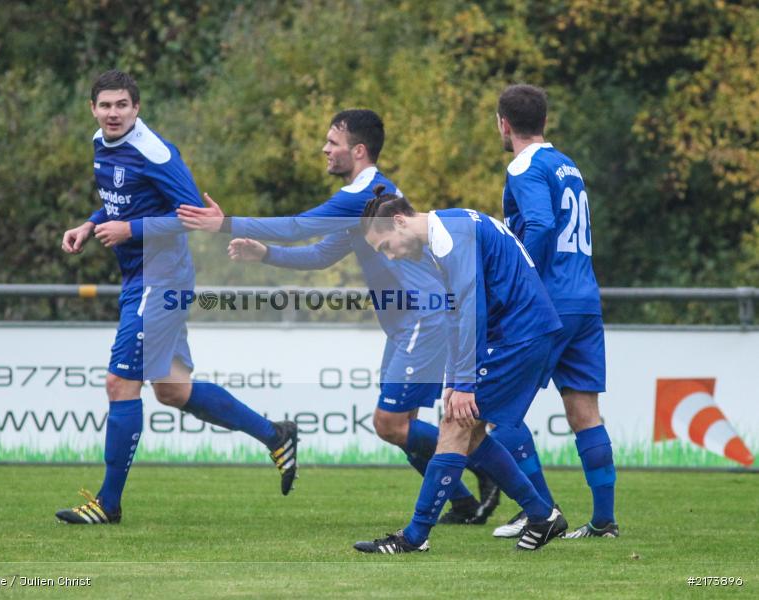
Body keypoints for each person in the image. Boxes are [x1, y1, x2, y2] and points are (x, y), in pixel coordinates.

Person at [177, 109, 499, 524]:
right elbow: (320, 254)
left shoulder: (361, 195)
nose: (325, 149)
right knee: (403, 427)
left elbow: (298, 227)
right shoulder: (366, 199)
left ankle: (483, 464)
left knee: (389, 424)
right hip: (409, 323)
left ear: (358, 151)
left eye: (333, 143)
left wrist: (226, 224)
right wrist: (266, 254)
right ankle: (462, 501)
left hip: (424, 317)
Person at [56, 69, 298, 524]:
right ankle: (275, 436)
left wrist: (132, 230)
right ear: (93, 108)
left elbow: (197, 217)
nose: (113, 113)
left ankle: (107, 504)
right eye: (105, 105)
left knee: (119, 383)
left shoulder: (155, 151)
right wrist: (90, 224)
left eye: (121, 105)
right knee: (172, 389)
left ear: (136, 108)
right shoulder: (100, 143)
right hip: (140, 278)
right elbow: (121, 200)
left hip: (160, 278)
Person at [353, 188, 567, 553]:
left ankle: (414, 537)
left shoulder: (451, 237)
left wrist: (465, 382)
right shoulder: (448, 231)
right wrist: (455, 379)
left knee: (455, 426)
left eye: (386, 245)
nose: (388, 255)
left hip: (520, 335)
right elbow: (457, 313)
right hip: (519, 333)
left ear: (400, 222)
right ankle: (542, 514)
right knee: (471, 430)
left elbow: (471, 308)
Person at [493, 84, 618, 539]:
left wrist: (520, 281)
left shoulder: (523, 165)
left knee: (493, 413)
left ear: (503, 123)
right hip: (585, 298)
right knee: (585, 410)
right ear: (544, 120)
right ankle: (603, 521)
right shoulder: (567, 164)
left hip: (547, 303)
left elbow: (543, 225)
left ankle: (540, 510)